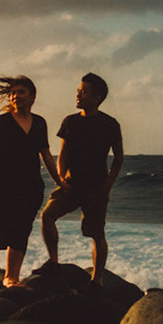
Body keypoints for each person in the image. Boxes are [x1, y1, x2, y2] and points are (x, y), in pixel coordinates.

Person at [0, 75, 63, 287]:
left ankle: (12, 276)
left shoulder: (39, 123)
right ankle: (9, 275)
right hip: (7, 182)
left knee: (23, 227)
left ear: (33, 97)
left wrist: (59, 180)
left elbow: (46, 154)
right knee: (11, 225)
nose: (15, 96)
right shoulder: (3, 122)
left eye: (21, 92)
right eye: (13, 93)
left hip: (31, 184)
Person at [39, 72, 123, 288]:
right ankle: (54, 262)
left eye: (83, 92)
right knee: (47, 216)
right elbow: (63, 154)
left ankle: (96, 279)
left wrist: (107, 185)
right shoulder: (70, 121)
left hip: (96, 187)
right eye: (78, 91)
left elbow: (119, 158)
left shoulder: (109, 124)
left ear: (97, 97)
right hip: (71, 184)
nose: (78, 95)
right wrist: (60, 180)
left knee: (97, 233)